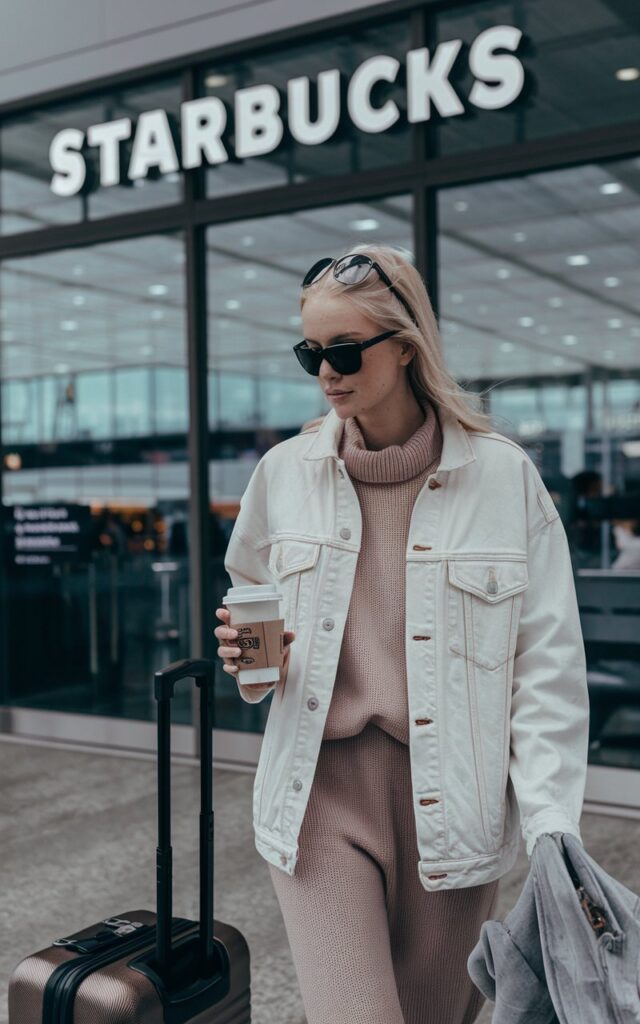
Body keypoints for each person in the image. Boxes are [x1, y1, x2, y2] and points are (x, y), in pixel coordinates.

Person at [214, 244, 589, 1023]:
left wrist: (553, 824)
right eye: (310, 353)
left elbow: (545, 666)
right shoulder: (284, 474)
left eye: (344, 350)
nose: (326, 372)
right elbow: (249, 595)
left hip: (454, 803)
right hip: (320, 792)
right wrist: (250, 658)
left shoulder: (502, 478)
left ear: (407, 346)